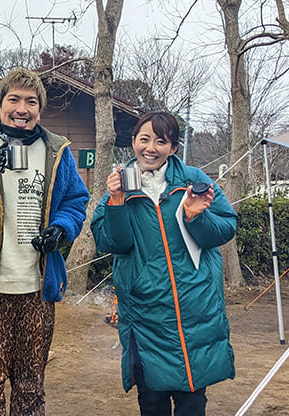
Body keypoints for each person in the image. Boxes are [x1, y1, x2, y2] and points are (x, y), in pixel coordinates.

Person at [0, 68, 89, 415]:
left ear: (39, 109)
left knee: (30, 388)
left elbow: (75, 200)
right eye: (14, 100)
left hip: (37, 287)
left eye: (31, 102)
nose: (22, 108)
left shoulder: (56, 149)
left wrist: (61, 229)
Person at [91, 111, 237, 416]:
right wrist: (116, 201)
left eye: (161, 141)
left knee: (192, 403)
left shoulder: (193, 180)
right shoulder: (120, 186)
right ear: (133, 141)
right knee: (152, 402)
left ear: (173, 147)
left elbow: (225, 229)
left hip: (195, 308)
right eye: (144, 139)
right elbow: (112, 243)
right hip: (146, 313)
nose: (151, 148)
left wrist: (196, 217)